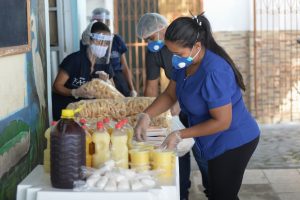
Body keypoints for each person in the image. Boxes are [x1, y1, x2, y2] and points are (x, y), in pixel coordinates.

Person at [135, 13, 260, 200]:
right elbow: (170, 95)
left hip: (234, 140)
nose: (173, 58)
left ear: (197, 46)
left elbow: (223, 122)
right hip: (212, 139)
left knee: (221, 195)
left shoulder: (214, 71)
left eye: (178, 53)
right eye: (171, 52)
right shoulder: (184, 63)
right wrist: (145, 115)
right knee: (219, 192)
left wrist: (179, 134)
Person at [136, 13, 209, 200]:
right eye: (146, 40)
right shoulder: (155, 52)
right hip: (177, 108)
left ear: (162, 29)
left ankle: (213, 189)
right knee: (178, 151)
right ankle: (182, 192)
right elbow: (152, 86)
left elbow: (198, 79)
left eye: (151, 38)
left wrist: (179, 99)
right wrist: (148, 114)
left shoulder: (191, 47)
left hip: (201, 112)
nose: (149, 44)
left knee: (204, 156)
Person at [52, 21, 114, 120]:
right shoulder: (73, 60)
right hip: (66, 113)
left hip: (89, 114)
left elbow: (113, 93)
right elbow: (56, 86)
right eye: (99, 40)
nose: (102, 45)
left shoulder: (105, 64)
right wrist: (74, 92)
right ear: (88, 39)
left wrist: (107, 83)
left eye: (106, 43)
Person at [91, 8, 137, 97]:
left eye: (105, 21)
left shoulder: (116, 40)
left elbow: (124, 66)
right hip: (99, 79)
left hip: (118, 79)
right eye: (99, 22)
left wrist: (132, 89)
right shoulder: (89, 41)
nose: (103, 25)